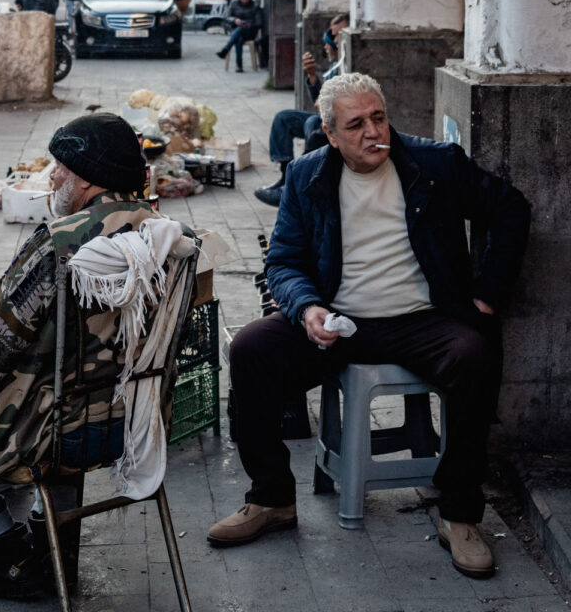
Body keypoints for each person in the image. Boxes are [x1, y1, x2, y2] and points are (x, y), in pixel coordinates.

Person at [207, 72, 530, 581]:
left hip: (423, 320)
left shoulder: (435, 164)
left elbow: (511, 209)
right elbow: (285, 261)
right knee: (250, 349)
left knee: (475, 356)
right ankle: (270, 498)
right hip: (340, 320)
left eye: (378, 118)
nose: (371, 132)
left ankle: (460, 512)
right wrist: (308, 308)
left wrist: (488, 294)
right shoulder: (307, 176)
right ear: (330, 134)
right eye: (355, 124)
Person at [0, 114, 169, 600]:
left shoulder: (62, 242)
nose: (52, 177)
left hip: (57, 433)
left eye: (60, 168)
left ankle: (9, 550)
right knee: (53, 400)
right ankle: (46, 543)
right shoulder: (167, 237)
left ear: (88, 178)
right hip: (137, 423)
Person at [255, 13, 349, 207]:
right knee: (284, 118)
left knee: (313, 123)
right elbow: (319, 101)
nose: (331, 42)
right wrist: (313, 77)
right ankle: (286, 179)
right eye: (333, 36)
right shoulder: (334, 66)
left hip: (342, 125)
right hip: (327, 119)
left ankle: (299, 185)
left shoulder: (348, 66)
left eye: (338, 36)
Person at [216, 0, 263, 72]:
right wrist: (234, 20)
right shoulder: (234, 4)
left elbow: (259, 23)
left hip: (250, 32)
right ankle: (239, 66)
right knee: (239, 38)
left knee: (240, 29)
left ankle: (226, 48)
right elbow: (226, 17)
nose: (244, 0)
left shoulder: (255, 6)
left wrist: (248, 24)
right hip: (237, 31)